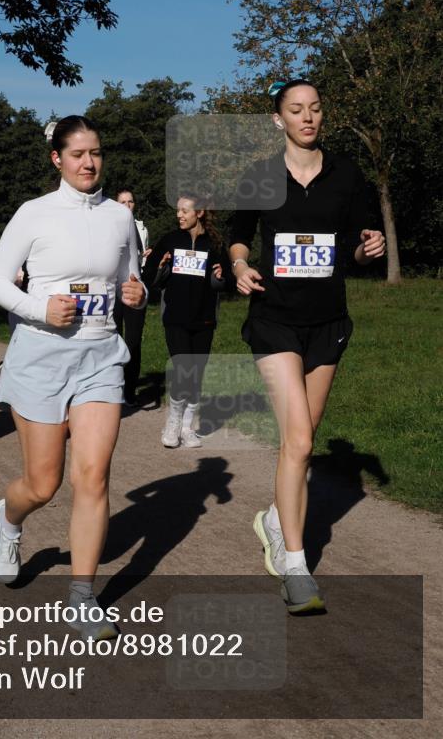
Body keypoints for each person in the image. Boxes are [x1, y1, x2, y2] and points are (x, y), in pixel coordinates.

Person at [0, 116, 146, 638]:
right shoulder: (34, 214)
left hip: (100, 355)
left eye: (95, 152)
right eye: (77, 154)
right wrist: (37, 310)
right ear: (57, 158)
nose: (89, 163)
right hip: (42, 356)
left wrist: (136, 293)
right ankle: (8, 523)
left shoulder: (120, 218)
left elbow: (130, 279)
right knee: (43, 483)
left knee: (93, 477)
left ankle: (82, 597)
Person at [229, 79, 385, 614]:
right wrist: (240, 263)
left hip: (328, 322)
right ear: (279, 119)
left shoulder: (346, 175)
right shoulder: (261, 175)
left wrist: (370, 247)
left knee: (304, 440)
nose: (308, 117)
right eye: (296, 110)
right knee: (297, 440)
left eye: (316, 108)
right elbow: (239, 230)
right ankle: (294, 563)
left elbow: (358, 250)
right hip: (275, 319)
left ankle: (275, 515)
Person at [142, 193, 232, 447]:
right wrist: (160, 268)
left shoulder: (215, 244)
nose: (179, 215)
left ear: (199, 213)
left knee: (196, 374)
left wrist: (221, 275)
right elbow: (149, 274)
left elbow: (228, 283)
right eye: (178, 210)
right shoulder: (170, 240)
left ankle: (187, 427)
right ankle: (172, 423)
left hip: (204, 319)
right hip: (175, 317)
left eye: (184, 210)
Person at [113, 190, 152, 405]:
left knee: (134, 341)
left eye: (130, 201)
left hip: (136, 288)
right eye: (122, 202)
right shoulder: (109, 225)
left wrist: (149, 255)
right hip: (114, 289)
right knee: (114, 338)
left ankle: (130, 390)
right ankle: (114, 387)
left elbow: (140, 260)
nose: (127, 205)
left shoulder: (141, 228)